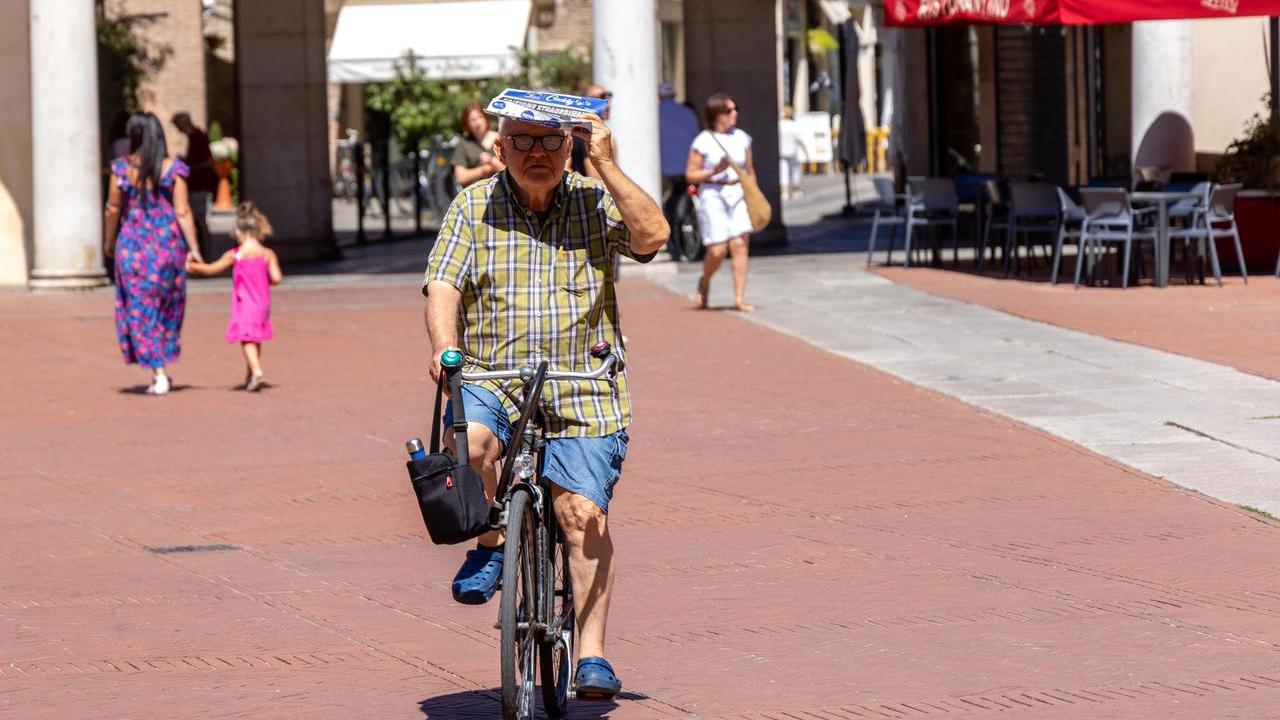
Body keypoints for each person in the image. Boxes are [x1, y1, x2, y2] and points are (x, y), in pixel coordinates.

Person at [423, 109, 667, 699]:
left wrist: (605, 162)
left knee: (581, 514)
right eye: (523, 141)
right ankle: (490, 541)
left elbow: (652, 236)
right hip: (494, 375)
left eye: (551, 142)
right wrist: (444, 347)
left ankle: (591, 654)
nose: (537, 152)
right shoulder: (473, 206)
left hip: (581, 381)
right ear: (500, 148)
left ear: (569, 147)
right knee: (471, 443)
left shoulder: (594, 199)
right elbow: (443, 283)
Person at [103, 111, 203, 395]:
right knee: (167, 306)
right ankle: (161, 364)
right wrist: (194, 248)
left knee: (139, 307)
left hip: (133, 247)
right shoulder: (173, 170)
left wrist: (109, 242)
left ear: (133, 137)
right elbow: (183, 212)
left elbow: (112, 209)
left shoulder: (122, 169)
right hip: (167, 247)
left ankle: (157, 369)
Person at [186, 201, 283, 391]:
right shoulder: (268, 254)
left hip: (245, 303)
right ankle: (250, 375)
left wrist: (191, 266)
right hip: (263, 303)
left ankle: (257, 371)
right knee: (255, 338)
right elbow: (277, 278)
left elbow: (211, 269)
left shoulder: (236, 255)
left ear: (239, 232)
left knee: (246, 338)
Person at [686, 93, 755, 312]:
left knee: (740, 245)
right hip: (713, 192)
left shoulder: (742, 138)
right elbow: (691, 174)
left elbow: (749, 170)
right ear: (717, 114)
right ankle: (705, 281)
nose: (734, 113)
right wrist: (713, 171)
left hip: (737, 191)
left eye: (736, 109)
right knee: (717, 250)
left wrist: (753, 195)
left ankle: (739, 297)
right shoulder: (703, 140)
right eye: (729, 110)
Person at [658, 81, 701, 259]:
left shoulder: (655, 113)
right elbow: (696, 136)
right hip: (686, 165)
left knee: (663, 200)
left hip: (664, 167)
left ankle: (670, 234)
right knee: (683, 194)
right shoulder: (687, 112)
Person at [171, 113, 215, 260]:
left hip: (199, 186)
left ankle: (205, 255)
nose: (178, 130)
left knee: (200, 222)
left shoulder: (199, 137)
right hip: (193, 186)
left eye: (178, 126)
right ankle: (201, 253)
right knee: (197, 222)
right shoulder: (193, 138)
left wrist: (189, 167)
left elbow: (208, 162)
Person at [452, 102, 504, 189]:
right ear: (467, 124)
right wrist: (484, 169)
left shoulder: (500, 138)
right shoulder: (463, 144)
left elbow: (509, 170)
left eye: (480, 117)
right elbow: (460, 177)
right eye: (472, 120)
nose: (478, 123)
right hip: (476, 192)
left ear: (485, 118)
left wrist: (491, 161)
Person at [569, 84, 613, 178]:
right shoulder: (581, 134)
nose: (607, 104)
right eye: (601, 98)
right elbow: (596, 178)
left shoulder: (608, 137)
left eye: (608, 97)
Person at [778, 106, 803, 201]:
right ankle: (796, 191)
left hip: (782, 152)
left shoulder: (780, 125)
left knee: (783, 172)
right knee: (795, 171)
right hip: (793, 152)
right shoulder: (795, 125)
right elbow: (800, 139)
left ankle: (784, 192)